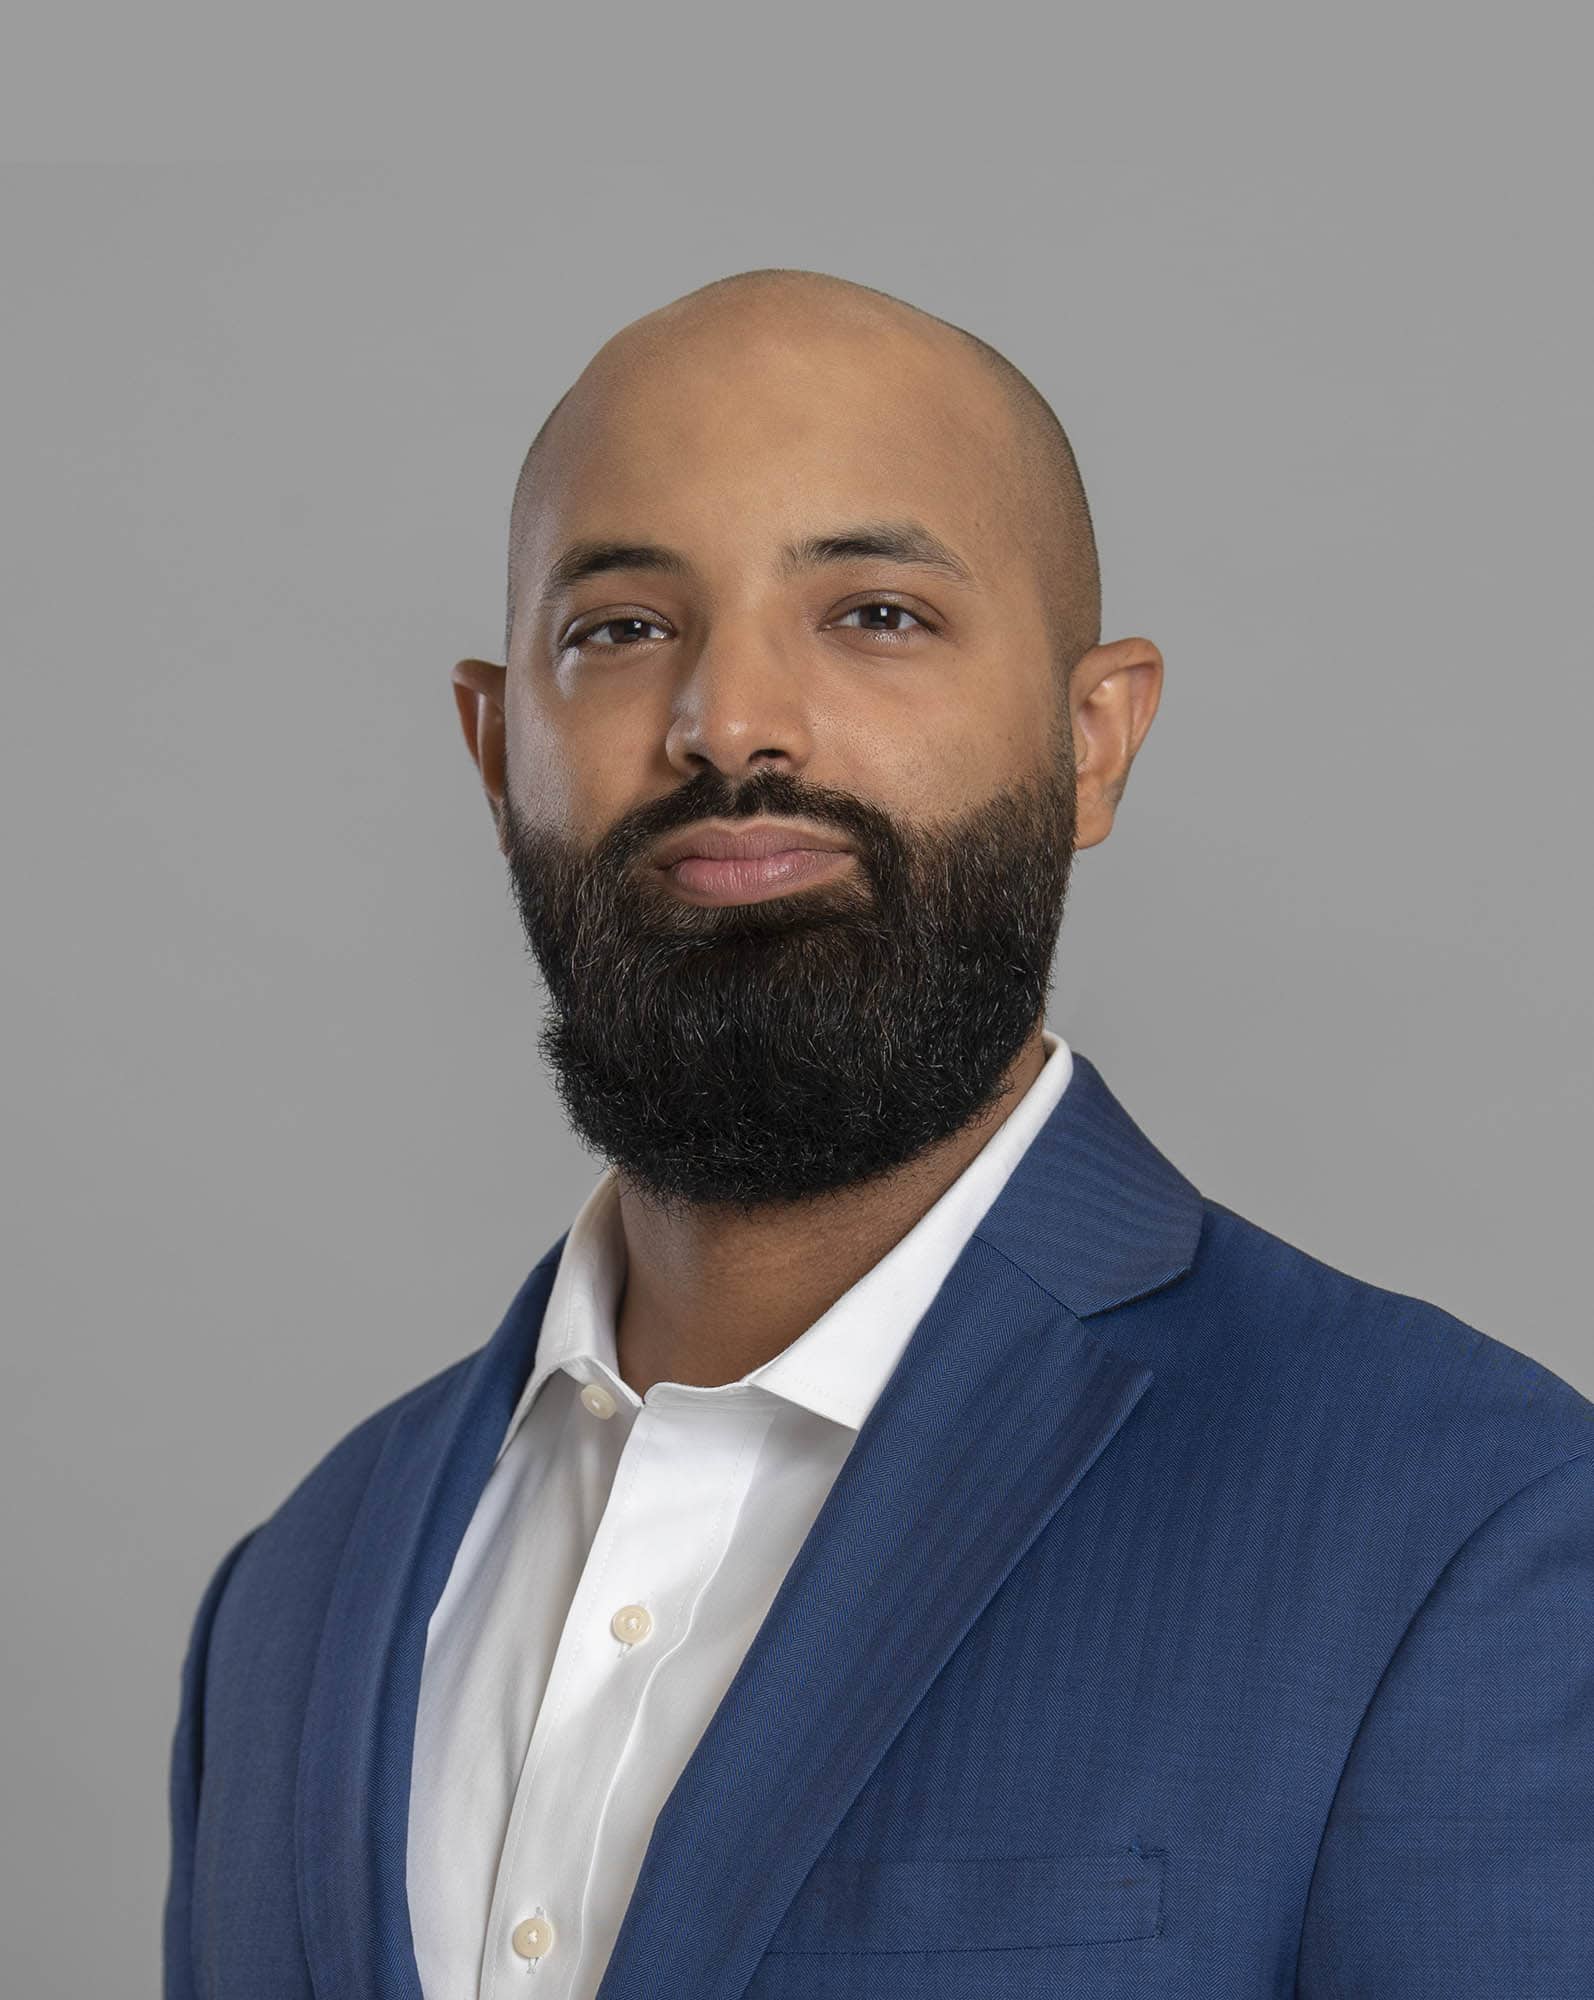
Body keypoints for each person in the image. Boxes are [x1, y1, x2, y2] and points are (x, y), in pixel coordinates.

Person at [163, 268, 1594, 2000]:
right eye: (620, 628)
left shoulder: (1469, 1523)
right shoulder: (290, 1601)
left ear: (1092, 739)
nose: (729, 721)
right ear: (495, 749)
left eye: (876, 614)